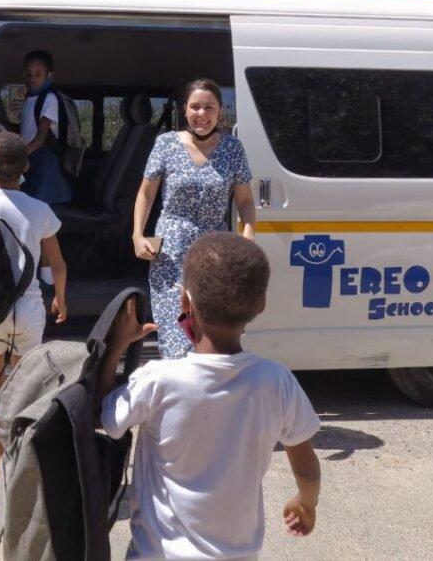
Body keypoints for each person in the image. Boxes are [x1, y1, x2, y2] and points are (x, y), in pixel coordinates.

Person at [97, 233, 322, 560]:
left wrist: (116, 345)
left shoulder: (158, 379)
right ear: (260, 306)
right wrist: (306, 503)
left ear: (185, 303)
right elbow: (307, 469)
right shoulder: (277, 381)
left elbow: (106, 416)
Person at [0, 132, 68, 481]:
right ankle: (21, 460)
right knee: (23, 385)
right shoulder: (41, 210)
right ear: (26, 167)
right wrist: (61, 298)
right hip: (28, 310)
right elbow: (57, 264)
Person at [132, 78, 256, 359]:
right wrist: (137, 235)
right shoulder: (165, 144)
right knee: (175, 335)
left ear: (220, 111)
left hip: (214, 255)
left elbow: (246, 201)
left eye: (209, 107)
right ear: (185, 110)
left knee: (211, 334)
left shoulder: (233, 148)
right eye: (195, 107)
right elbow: (146, 194)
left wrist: (247, 239)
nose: (202, 114)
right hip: (170, 254)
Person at [18, 49, 73, 204]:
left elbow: (41, 137)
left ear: (49, 76)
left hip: (43, 160)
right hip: (32, 156)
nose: (32, 79)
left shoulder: (49, 98)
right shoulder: (30, 97)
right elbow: (27, 127)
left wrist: (20, 154)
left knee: (41, 203)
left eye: (38, 75)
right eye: (28, 74)